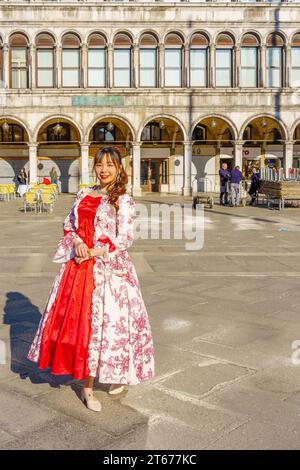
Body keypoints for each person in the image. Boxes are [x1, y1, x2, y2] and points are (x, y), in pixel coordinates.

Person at [27, 146, 155, 412]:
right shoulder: (84, 193)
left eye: (110, 164)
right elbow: (69, 224)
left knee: (108, 328)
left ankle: (102, 380)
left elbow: (125, 239)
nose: (104, 169)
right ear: (94, 167)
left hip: (110, 271)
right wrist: (77, 242)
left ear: (119, 168)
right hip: (78, 267)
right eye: (100, 164)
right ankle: (85, 381)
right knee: (82, 326)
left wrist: (95, 250)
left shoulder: (123, 200)